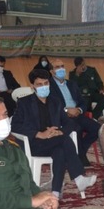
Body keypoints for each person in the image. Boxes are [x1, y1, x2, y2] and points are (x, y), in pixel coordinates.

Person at [11, 69, 97, 199]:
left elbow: (70, 123)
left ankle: (55, 193)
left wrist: (60, 131)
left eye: (46, 83)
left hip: (55, 142)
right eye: (39, 84)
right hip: (34, 144)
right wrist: (39, 134)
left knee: (60, 151)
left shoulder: (56, 102)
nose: (44, 87)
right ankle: (79, 178)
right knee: (64, 140)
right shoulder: (24, 103)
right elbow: (15, 126)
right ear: (32, 86)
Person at [49, 59, 101, 168]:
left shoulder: (72, 84)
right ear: (52, 71)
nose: (61, 69)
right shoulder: (49, 85)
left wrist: (79, 110)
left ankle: (80, 152)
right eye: (57, 67)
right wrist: (66, 110)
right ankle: (80, 157)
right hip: (62, 116)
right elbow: (50, 105)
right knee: (77, 129)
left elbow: (82, 101)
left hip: (77, 114)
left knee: (98, 128)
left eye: (62, 66)